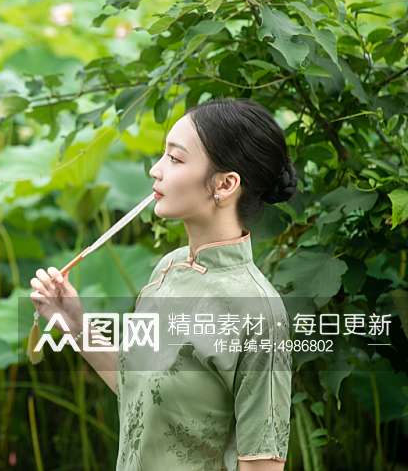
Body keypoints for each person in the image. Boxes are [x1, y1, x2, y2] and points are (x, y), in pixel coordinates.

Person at [30, 98, 298, 470]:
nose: (156, 170)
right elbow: (135, 389)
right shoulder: (167, 270)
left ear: (225, 183)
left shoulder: (258, 311)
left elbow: (262, 465)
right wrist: (76, 325)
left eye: (175, 158)